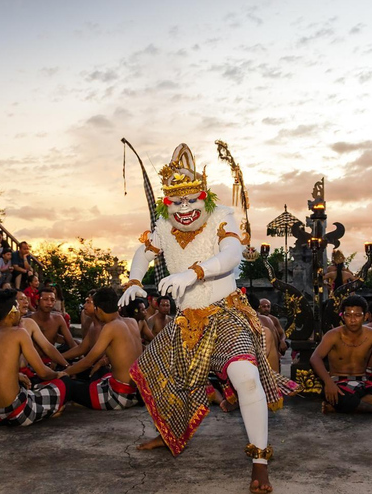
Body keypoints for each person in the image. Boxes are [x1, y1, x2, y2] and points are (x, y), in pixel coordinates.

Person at [118, 144, 297, 494]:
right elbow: (145, 250)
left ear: (204, 197)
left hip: (225, 313)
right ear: (167, 204)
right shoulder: (164, 225)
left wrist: (194, 273)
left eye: (191, 201)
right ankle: (167, 433)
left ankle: (259, 460)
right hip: (186, 320)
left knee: (245, 378)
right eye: (176, 203)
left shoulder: (221, 216)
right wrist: (135, 280)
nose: (184, 209)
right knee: (160, 375)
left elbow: (232, 254)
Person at [0, 289, 73, 426]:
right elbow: (43, 372)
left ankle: (46, 409)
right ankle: (48, 411)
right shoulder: (19, 333)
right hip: (18, 413)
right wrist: (59, 374)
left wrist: (16, 375)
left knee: (33, 388)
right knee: (64, 382)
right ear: (12, 312)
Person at [310, 295, 372, 416]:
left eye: (357, 315)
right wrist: (328, 383)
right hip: (338, 382)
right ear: (342, 316)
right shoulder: (333, 335)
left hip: (363, 383)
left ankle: (343, 407)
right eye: (348, 315)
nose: (353, 320)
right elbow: (315, 358)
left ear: (365, 316)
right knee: (338, 395)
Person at [63, 288, 143, 410]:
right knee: (98, 372)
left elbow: (88, 361)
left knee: (68, 385)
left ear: (98, 309)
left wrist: (65, 373)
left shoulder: (111, 326)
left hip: (119, 396)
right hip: (136, 392)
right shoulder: (132, 322)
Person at [31, 287, 76, 352]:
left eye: (52, 300)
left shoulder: (58, 319)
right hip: (30, 359)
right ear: (37, 301)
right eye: (45, 299)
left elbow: (71, 343)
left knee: (77, 343)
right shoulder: (28, 319)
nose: (49, 303)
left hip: (51, 358)